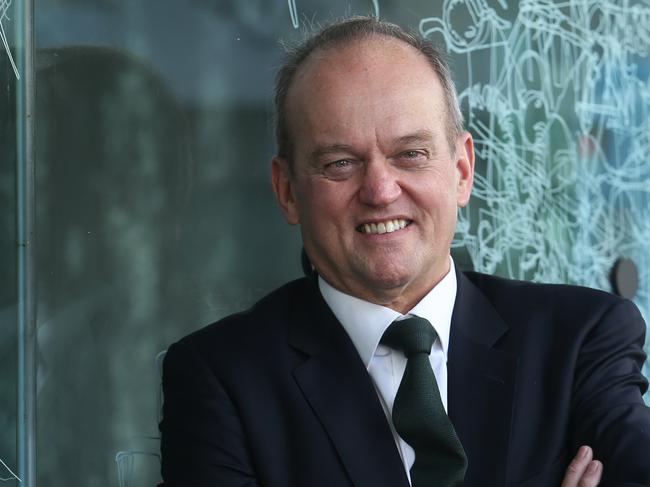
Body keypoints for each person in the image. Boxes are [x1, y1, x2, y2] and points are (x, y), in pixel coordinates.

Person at [159, 17, 650, 486]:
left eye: (410, 154)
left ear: (461, 170)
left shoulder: (580, 340)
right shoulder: (220, 380)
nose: (379, 189)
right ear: (287, 190)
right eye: (340, 162)